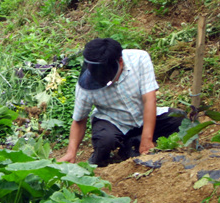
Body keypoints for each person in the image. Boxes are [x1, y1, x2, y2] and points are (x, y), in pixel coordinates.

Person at [58, 37, 183, 167]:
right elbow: (79, 120)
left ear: (120, 62)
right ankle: (107, 156)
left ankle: (133, 143)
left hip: (143, 116)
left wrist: (147, 139)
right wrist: (71, 153)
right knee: (104, 141)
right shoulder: (87, 83)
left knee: (179, 118)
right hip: (113, 122)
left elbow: (149, 99)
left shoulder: (140, 59)